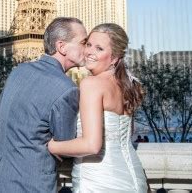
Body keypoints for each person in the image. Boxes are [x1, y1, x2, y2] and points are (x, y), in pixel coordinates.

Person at [0, 17, 87, 193]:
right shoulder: (67, 89)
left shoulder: (18, 71)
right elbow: (65, 147)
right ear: (62, 46)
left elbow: (4, 119)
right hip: (30, 185)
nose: (87, 48)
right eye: (83, 42)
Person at [48, 23, 148, 192]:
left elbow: (91, 145)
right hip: (134, 179)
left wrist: (51, 146)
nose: (89, 52)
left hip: (99, 180)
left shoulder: (91, 84)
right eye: (88, 44)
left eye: (99, 48)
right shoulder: (128, 86)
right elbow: (126, 134)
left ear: (115, 57)